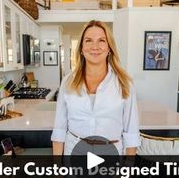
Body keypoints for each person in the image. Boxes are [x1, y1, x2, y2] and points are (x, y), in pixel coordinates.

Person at [51, 20, 140, 156]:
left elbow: (131, 132)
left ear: (109, 47)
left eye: (101, 41)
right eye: (88, 41)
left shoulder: (124, 83)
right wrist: (57, 172)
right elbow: (59, 130)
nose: (95, 46)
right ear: (81, 48)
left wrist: (126, 172)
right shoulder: (68, 81)